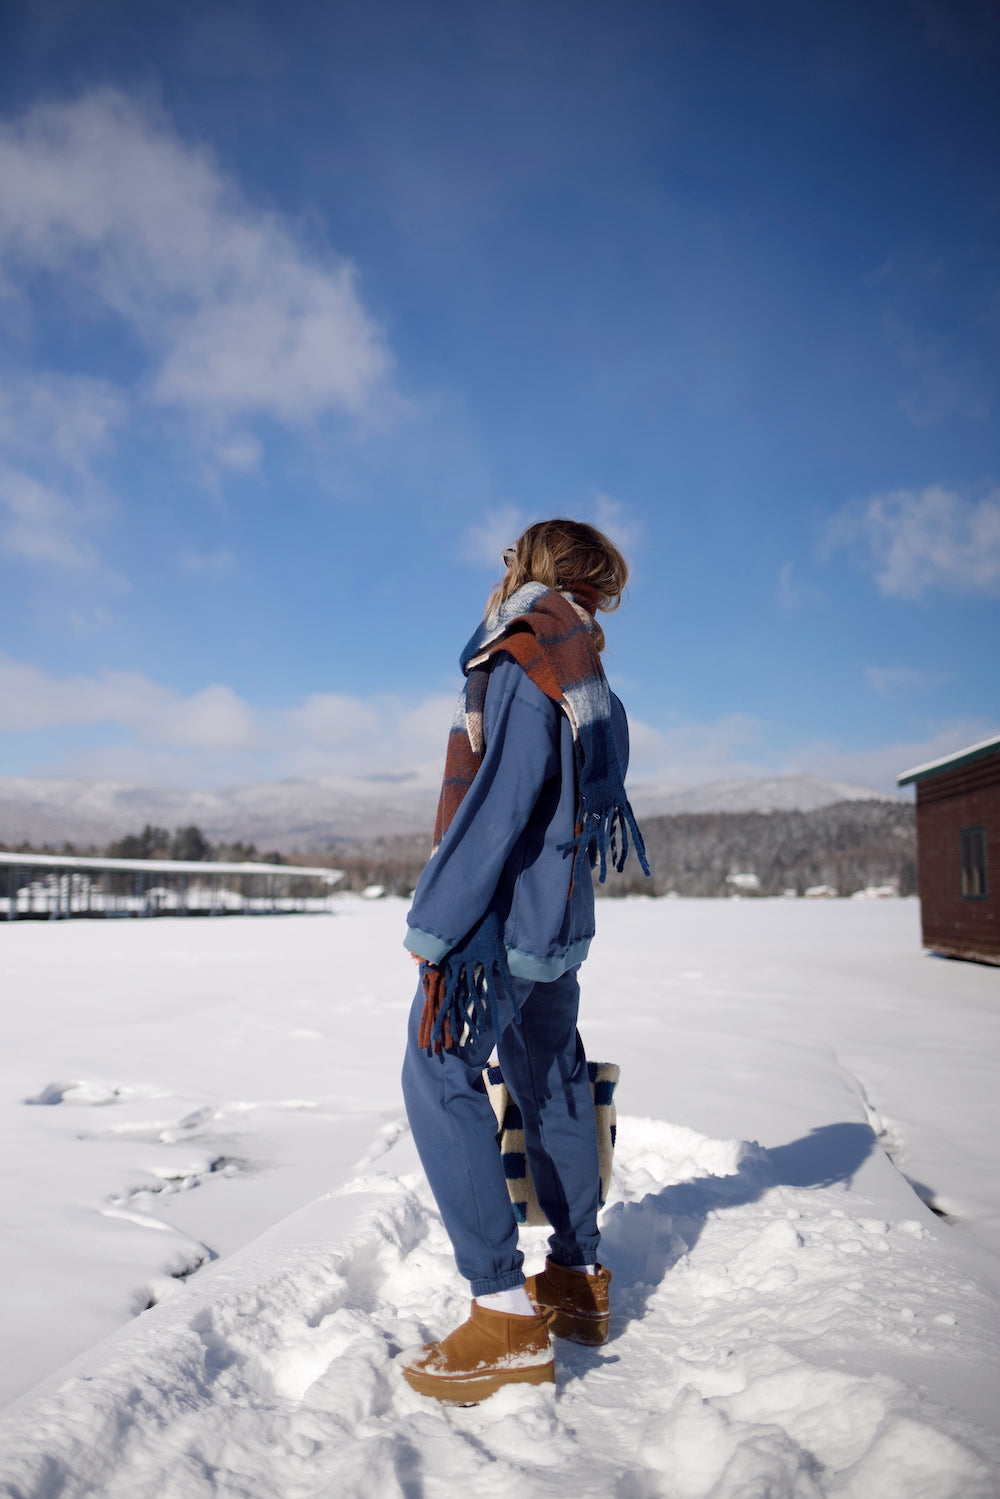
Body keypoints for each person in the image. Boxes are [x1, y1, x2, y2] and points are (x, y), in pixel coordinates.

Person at [399, 517, 648, 1404]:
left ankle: (503, 1312)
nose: (500, 572)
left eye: (510, 559)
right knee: (550, 1076)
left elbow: (498, 810)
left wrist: (439, 930)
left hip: (504, 927)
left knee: (435, 1069)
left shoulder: (523, 652)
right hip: (558, 926)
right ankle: (578, 1281)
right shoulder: (587, 669)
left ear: (532, 566)